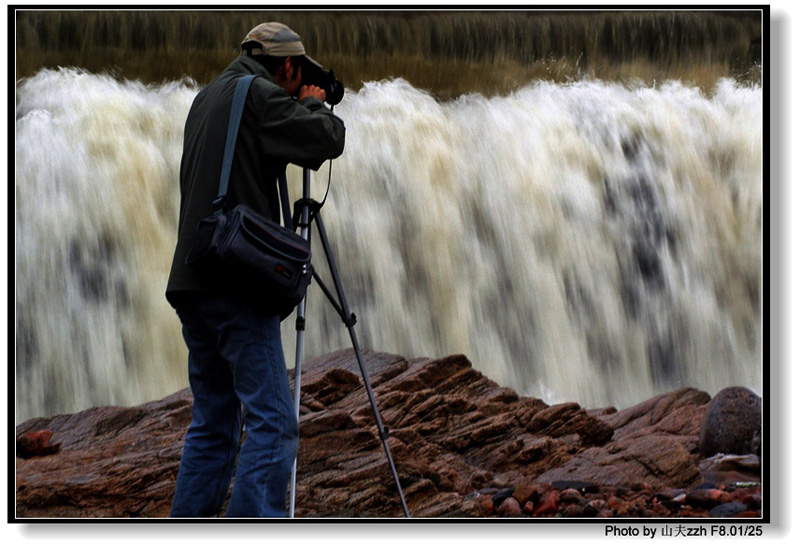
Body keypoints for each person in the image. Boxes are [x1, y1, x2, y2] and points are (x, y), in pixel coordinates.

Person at [165, 22, 346, 517]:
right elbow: (325, 138)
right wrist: (311, 103)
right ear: (286, 66)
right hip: (236, 285)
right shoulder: (260, 95)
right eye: (298, 75)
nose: (298, 83)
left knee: (213, 423)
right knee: (272, 423)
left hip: (192, 280)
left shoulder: (206, 99)